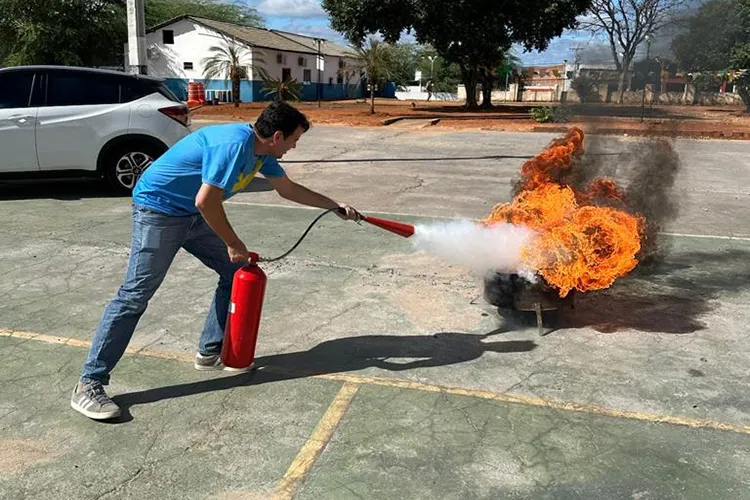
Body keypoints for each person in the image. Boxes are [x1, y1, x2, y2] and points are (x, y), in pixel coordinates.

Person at [71, 101, 361, 420]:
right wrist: (233, 243)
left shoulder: (262, 151)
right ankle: (89, 384)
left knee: (234, 272)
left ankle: (210, 351)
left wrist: (334, 205)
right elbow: (207, 200)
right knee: (134, 296)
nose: (294, 146)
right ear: (277, 136)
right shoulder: (234, 145)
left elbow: (288, 189)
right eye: (295, 139)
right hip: (159, 211)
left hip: (191, 214)